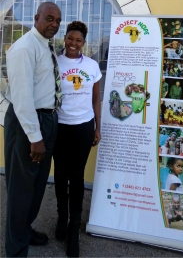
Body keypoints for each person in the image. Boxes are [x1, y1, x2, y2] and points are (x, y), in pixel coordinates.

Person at [4, 2, 61, 257]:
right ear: (36, 17)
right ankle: (16, 250)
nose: (54, 25)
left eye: (58, 21)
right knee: (21, 190)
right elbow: (22, 97)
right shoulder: (25, 47)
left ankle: (25, 231)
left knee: (37, 185)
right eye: (49, 19)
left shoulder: (44, 45)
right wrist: (35, 137)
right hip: (28, 123)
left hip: (46, 120)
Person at [53, 21, 102, 257]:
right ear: (65, 38)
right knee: (61, 175)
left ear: (84, 43)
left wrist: (97, 128)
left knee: (78, 176)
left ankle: (74, 230)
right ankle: (62, 218)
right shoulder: (54, 62)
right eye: (70, 38)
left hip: (83, 127)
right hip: (60, 126)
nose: (73, 43)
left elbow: (96, 99)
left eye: (78, 40)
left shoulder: (92, 66)